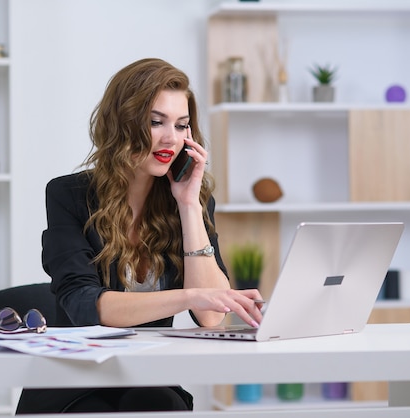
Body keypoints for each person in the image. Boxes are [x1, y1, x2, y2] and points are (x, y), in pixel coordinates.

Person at [16, 58, 264, 414]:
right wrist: (189, 296)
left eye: (181, 126)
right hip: (76, 381)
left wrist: (189, 205)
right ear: (122, 124)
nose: (171, 138)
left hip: (147, 377)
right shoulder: (68, 195)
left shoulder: (190, 201)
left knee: (157, 403)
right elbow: (86, 304)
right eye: (155, 122)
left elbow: (211, 317)